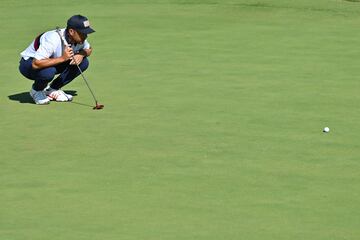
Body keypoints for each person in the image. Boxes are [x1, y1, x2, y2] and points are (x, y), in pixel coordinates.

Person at [19, 15, 95, 105]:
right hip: (28, 65)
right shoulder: (52, 39)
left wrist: (81, 54)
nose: (85, 36)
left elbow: (89, 49)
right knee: (48, 72)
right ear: (71, 31)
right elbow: (36, 64)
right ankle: (36, 90)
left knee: (83, 62)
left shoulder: (79, 39)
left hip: (51, 63)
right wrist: (63, 58)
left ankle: (52, 89)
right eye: (83, 33)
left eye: (86, 33)